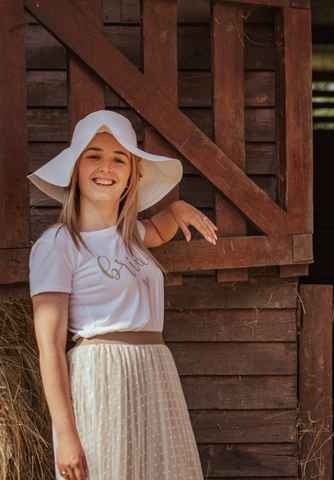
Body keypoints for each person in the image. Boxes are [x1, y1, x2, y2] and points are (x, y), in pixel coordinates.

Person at [27, 110, 218, 480]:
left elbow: (160, 231)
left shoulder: (132, 237)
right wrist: (66, 434)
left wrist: (177, 208)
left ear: (133, 174)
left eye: (119, 159)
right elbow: (49, 346)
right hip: (101, 375)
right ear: (75, 168)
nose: (106, 168)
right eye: (93, 156)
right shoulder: (58, 244)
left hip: (153, 371)